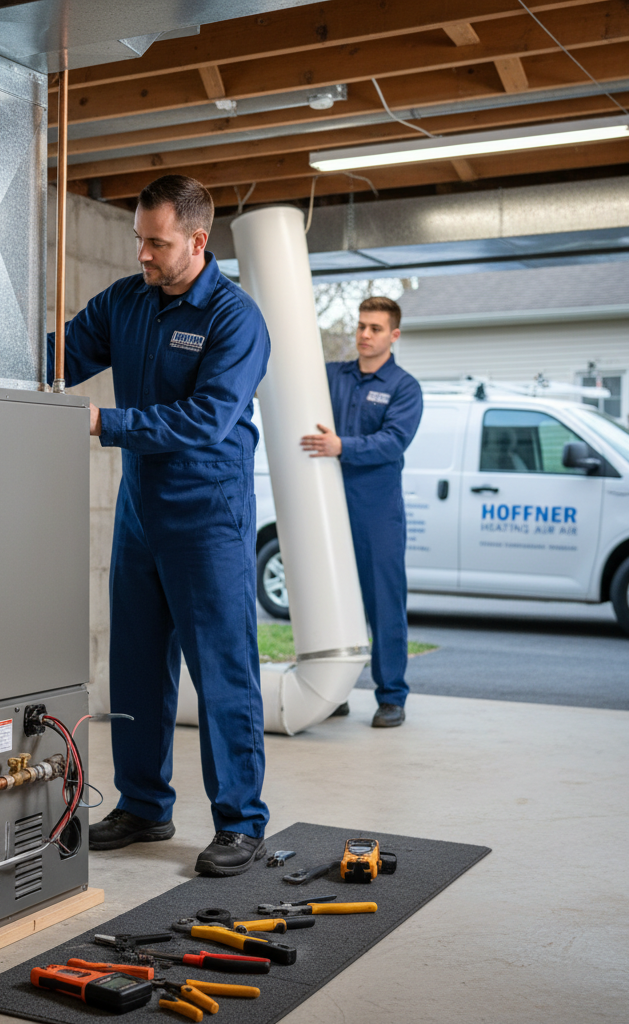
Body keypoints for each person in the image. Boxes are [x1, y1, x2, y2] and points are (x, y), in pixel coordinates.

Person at [47, 175, 271, 875]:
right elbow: (58, 357)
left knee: (222, 670)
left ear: (198, 242)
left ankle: (241, 822)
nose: (143, 253)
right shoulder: (126, 302)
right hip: (140, 508)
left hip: (209, 513)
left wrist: (103, 422)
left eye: (158, 243)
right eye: (139, 239)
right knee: (137, 665)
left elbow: (208, 418)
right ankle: (145, 805)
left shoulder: (235, 319)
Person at [300, 297, 423, 727]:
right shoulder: (333, 375)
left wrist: (341, 447)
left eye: (375, 328)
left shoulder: (404, 387)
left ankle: (391, 697)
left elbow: (393, 442)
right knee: (330, 598)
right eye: (361, 326)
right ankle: (333, 690)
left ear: (394, 335)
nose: (365, 334)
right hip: (327, 505)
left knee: (383, 605)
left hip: (376, 512)